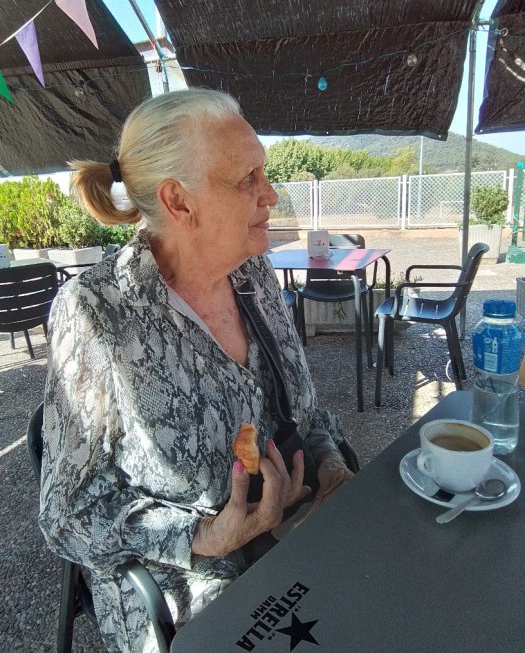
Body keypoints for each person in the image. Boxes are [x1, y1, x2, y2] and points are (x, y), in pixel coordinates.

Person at [39, 89, 353, 652]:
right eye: (247, 179)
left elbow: (304, 414)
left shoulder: (254, 274)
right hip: (190, 589)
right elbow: (66, 515)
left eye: (264, 172)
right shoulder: (98, 312)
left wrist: (330, 465)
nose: (271, 194)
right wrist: (204, 535)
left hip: (294, 543)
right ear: (178, 202)